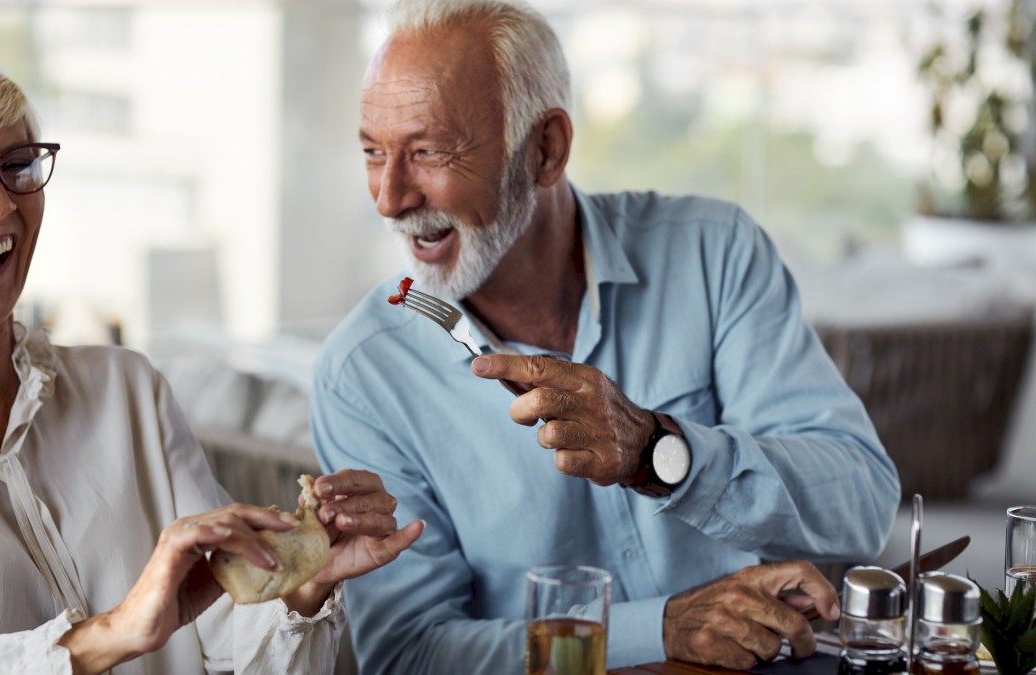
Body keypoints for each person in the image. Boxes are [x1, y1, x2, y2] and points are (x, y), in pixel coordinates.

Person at [310, 0, 901, 673]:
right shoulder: (363, 374)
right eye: (372, 152)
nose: (389, 197)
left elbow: (862, 504)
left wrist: (658, 451)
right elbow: (411, 654)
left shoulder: (714, 253)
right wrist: (664, 628)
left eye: (428, 151)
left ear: (545, 149)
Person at [0, 52, 423, 675]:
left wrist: (304, 579)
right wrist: (115, 632)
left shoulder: (127, 389)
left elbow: (225, 629)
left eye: (16, 167)